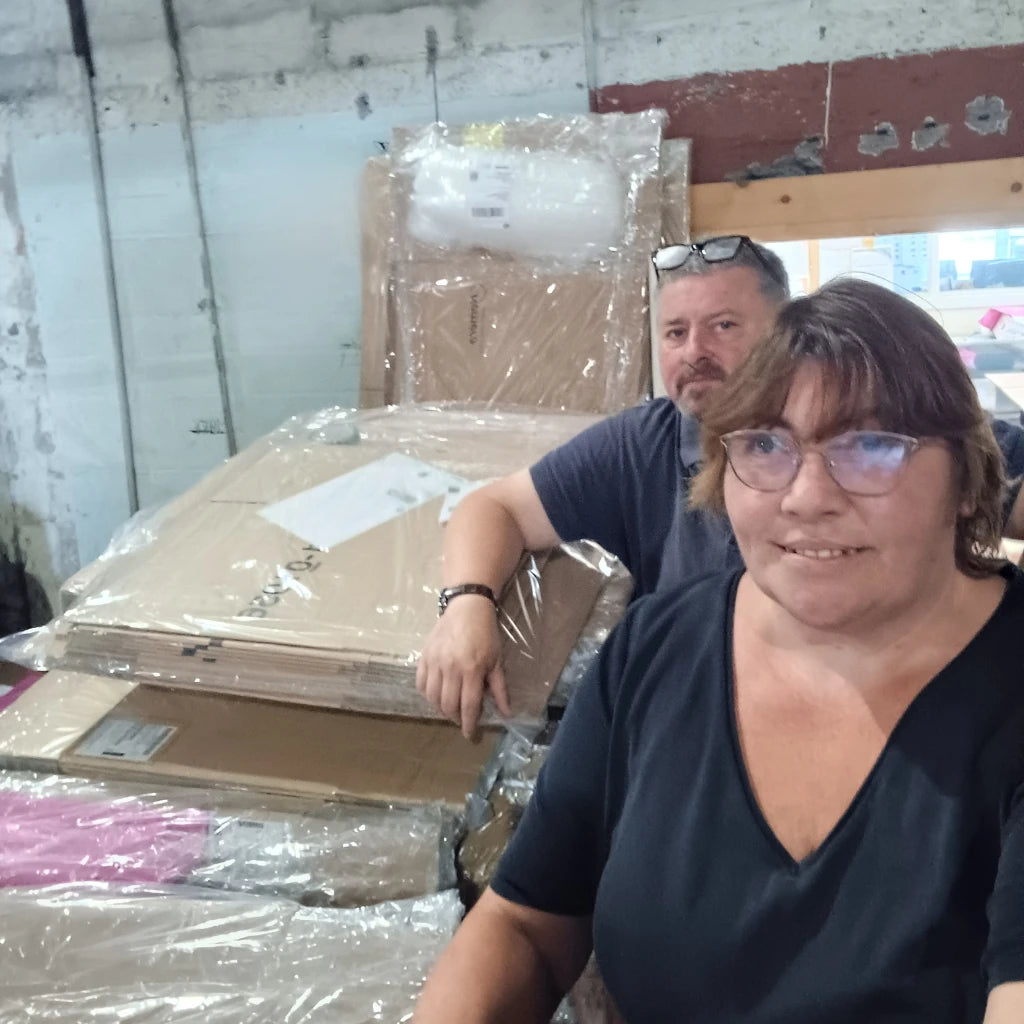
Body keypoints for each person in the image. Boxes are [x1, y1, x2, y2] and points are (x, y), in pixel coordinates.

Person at [413, 279, 1024, 1023]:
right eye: (765, 445)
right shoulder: (655, 650)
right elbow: (525, 925)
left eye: (869, 446)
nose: (805, 496)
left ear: (967, 482)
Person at [416, 236, 1024, 738]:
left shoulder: (903, 432)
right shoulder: (642, 449)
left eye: (724, 325)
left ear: (789, 333)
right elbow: (494, 505)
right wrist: (466, 604)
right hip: (710, 727)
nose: (695, 352)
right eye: (676, 333)